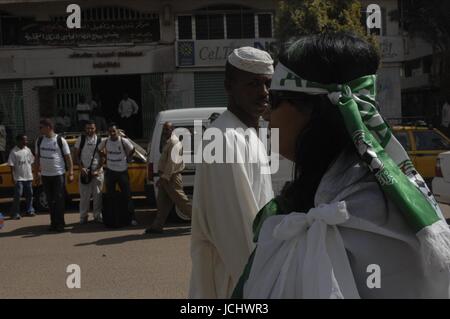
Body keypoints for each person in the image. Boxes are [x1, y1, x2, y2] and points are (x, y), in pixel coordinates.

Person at [233, 33, 450, 299]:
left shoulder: (365, 212)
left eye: (276, 99)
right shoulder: (321, 199)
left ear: (315, 110)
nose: (266, 112)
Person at [189, 47, 274, 298]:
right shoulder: (222, 138)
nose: (264, 92)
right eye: (253, 84)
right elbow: (237, 233)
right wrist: (264, 286)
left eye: (267, 83)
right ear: (229, 86)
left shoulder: (249, 134)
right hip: (234, 284)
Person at [145, 122, 192, 234]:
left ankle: (200, 223)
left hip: (171, 177)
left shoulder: (174, 143)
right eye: (165, 130)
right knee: (162, 204)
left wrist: (164, 178)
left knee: (182, 202)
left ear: (173, 130)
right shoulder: (169, 142)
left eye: (168, 129)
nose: (165, 132)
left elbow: (172, 164)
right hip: (165, 177)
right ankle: (157, 226)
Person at [35, 118, 74, 232]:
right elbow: (37, 158)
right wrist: (36, 173)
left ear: (48, 127)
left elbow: (68, 158)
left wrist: (70, 172)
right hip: (45, 175)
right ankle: (53, 223)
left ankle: (61, 223)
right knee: (50, 200)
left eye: (41, 127)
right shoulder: (40, 140)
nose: (39, 129)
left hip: (58, 174)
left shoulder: (60, 140)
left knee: (59, 200)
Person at [99, 123, 137, 226]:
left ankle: (132, 218)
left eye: (114, 131)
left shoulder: (123, 141)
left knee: (127, 196)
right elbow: (99, 149)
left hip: (122, 172)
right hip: (110, 172)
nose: (112, 133)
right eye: (110, 131)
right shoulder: (105, 141)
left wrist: (128, 157)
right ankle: (112, 218)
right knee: (110, 196)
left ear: (117, 132)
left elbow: (133, 149)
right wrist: (105, 156)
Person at [74, 121, 104, 224]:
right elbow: (76, 155)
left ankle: (97, 216)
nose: (89, 130)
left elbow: (103, 157)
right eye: (87, 128)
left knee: (98, 196)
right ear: (85, 129)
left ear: (95, 129)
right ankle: (83, 217)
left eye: (92, 128)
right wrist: (81, 168)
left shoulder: (100, 140)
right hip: (84, 172)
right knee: (84, 197)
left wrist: (97, 170)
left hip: (97, 172)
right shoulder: (81, 139)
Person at [8, 134, 35, 220]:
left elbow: (32, 162)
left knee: (29, 194)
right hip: (19, 178)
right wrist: (12, 177)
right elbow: (11, 166)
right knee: (18, 196)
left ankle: (30, 210)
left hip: (28, 177)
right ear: (19, 141)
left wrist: (36, 173)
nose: (26, 142)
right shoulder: (14, 152)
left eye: (26, 140)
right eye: (24, 140)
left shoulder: (28, 150)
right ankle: (15, 213)